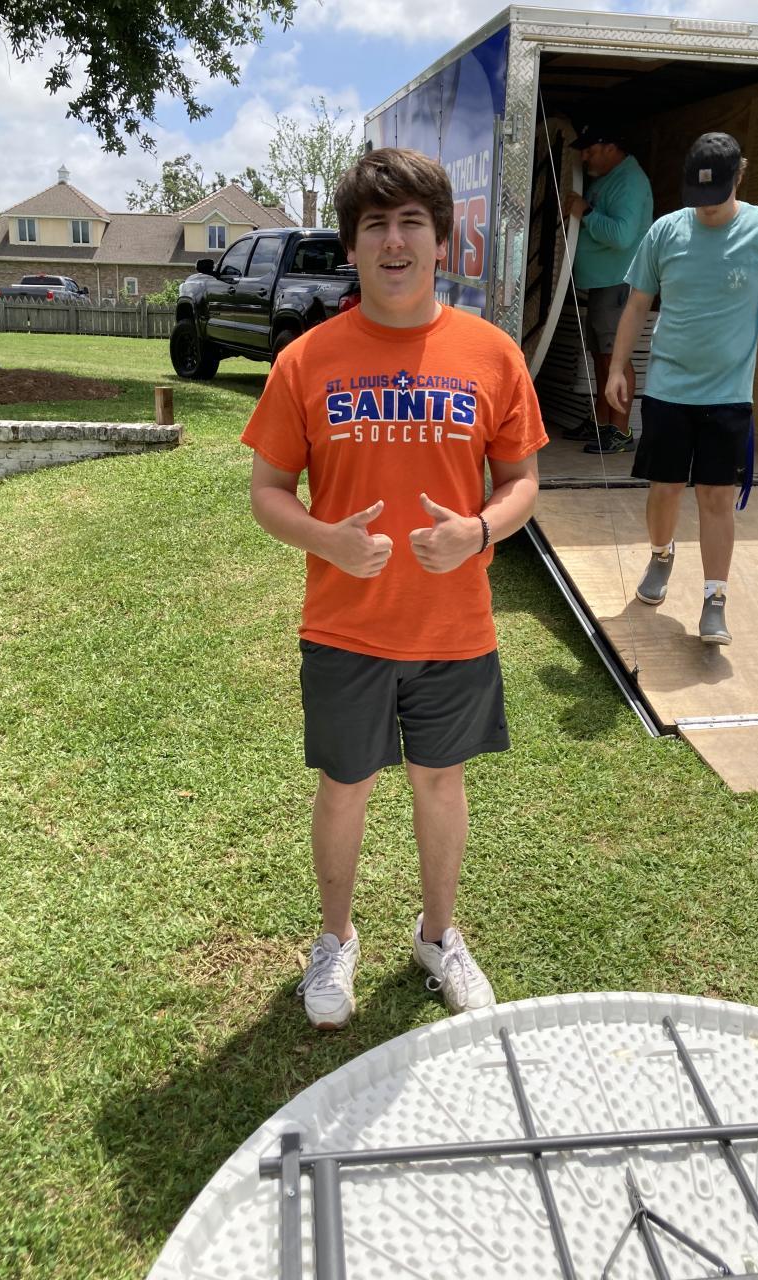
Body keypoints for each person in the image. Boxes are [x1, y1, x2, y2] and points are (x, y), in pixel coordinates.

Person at [241, 148, 547, 1030]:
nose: (395, 240)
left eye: (413, 221)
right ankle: (335, 939)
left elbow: (522, 482)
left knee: (440, 784)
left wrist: (478, 532)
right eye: (375, 224)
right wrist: (328, 541)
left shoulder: (491, 355)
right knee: (344, 785)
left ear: (442, 240)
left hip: (455, 628)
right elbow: (267, 492)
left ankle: (437, 935)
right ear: (352, 245)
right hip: (345, 626)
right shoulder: (307, 361)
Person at [606, 132, 758, 645]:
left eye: (716, 194)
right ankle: (661, 556)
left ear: (738, 176)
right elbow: (637, 303)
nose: (707, 207)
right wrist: (617, 367)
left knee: (716, 495)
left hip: (728, 393)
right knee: (664, 488)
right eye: (698, 196)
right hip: (668, 387)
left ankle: (715, 598)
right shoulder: (665, 231)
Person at [564, 122, 653, 455]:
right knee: (601, 356)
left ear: (611, 147)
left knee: (616, 356)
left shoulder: (629, 182)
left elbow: (622, 236)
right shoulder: (608, 177)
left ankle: (620, 431)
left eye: (591, 150)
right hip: (602, 281)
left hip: (618, 280)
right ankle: (602, 421)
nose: (585, 158)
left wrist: (585, 212)